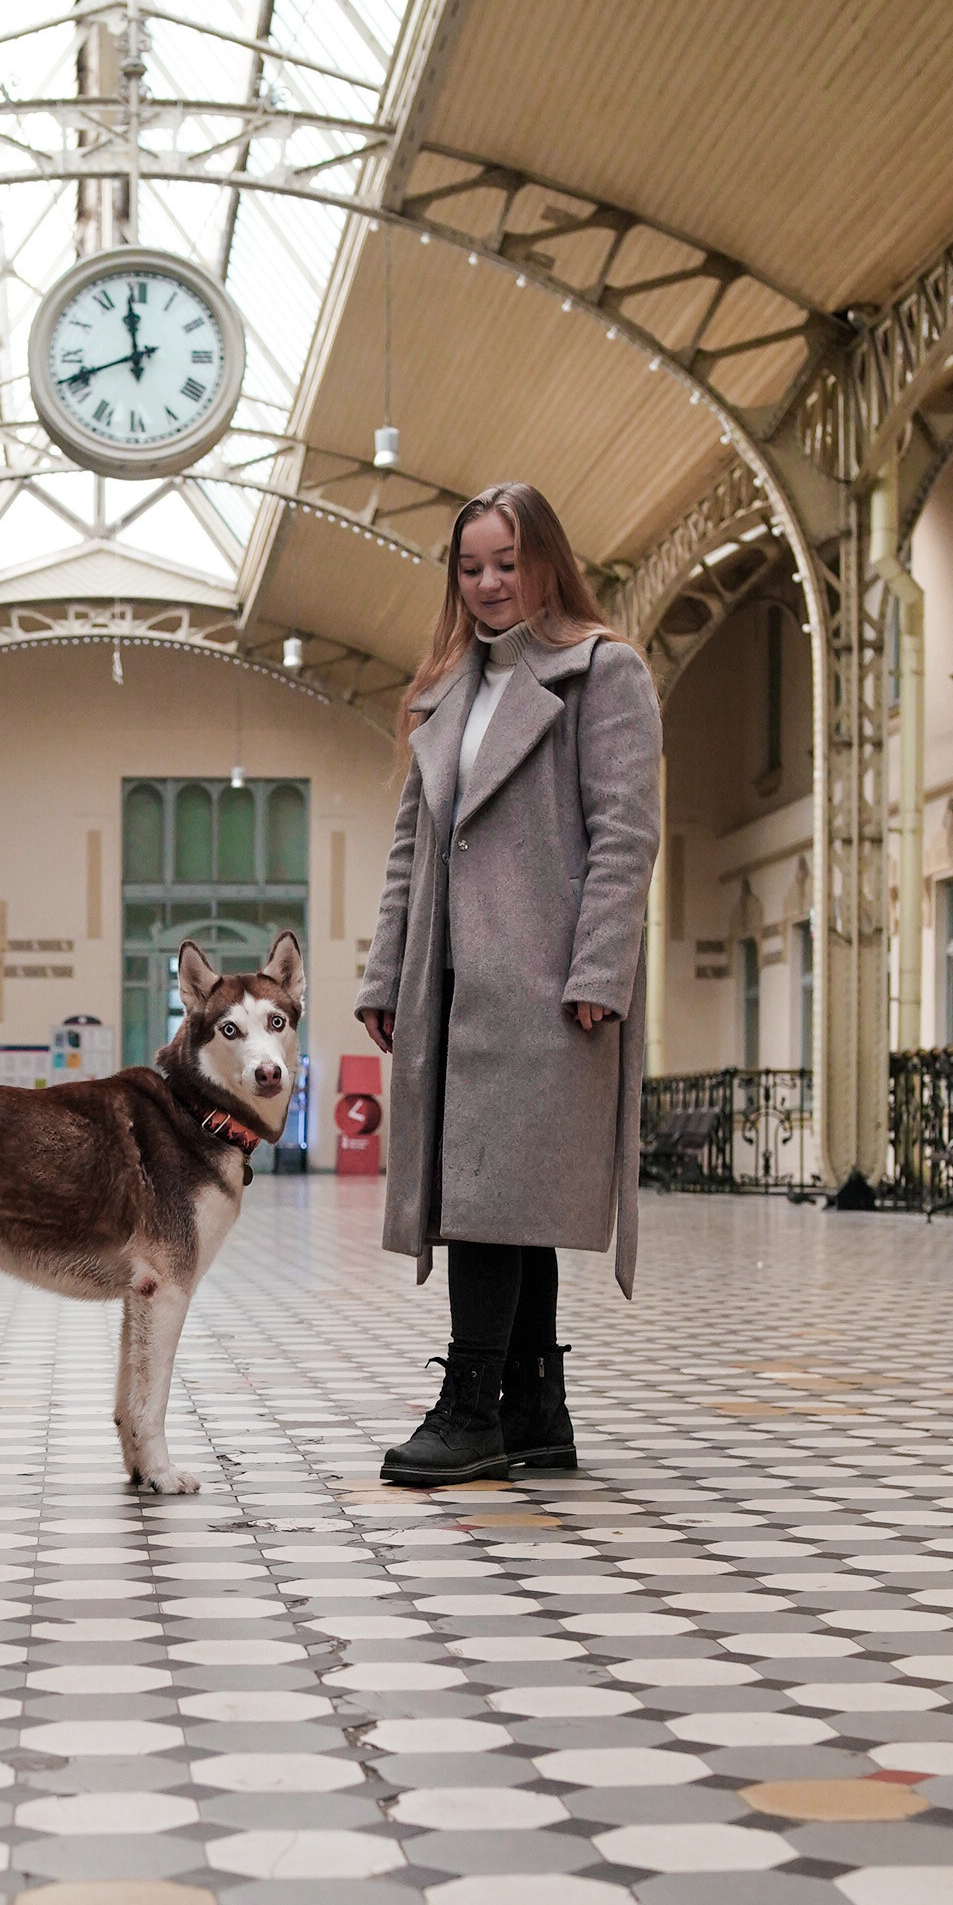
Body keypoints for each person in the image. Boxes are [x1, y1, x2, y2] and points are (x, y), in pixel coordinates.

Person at [356, 480, 661, 1485]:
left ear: (545, 562)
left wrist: (599, 969)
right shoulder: (446, 689)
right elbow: (409, 845)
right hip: (449, 987)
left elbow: (624, 831)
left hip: (542, 982)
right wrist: (384, 971)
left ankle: (469, 1407)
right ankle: (535, 1409)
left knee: (487, 1189)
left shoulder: (601, 674)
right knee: (501, 1191)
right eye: (470, 565)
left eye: (506, 562)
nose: (489, 583)